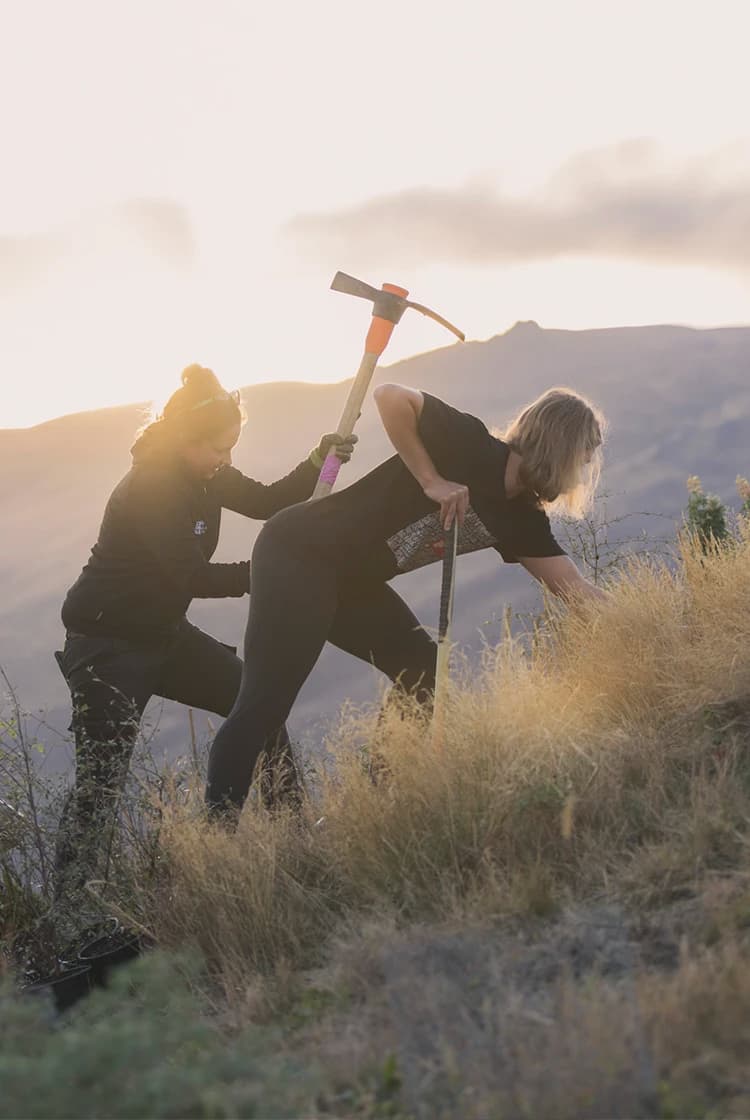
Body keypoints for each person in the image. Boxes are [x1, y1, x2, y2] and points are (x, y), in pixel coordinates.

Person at [205, 383, 608, 818]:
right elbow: (390, 396)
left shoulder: (522, 519)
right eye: (583, 456)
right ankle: (216, 836)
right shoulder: (471, 445)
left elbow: (577, 593)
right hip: (300, 552)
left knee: (424, 672)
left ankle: (376, 802)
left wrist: (656, 624)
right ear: (560, 445)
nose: (584, 471)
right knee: (265, 702)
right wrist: (431, 481)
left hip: (350, 582)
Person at [54, 363, 354, 907]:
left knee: (259, 709)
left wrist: (320, 460)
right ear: (184, 440)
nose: (227, 459)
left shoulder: (206, 474)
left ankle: (293, 839)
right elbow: (193, 576)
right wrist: (270, 573)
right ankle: (70, 913)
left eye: (232, 447)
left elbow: (268, 502)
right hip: (107, 645)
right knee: (101, 784)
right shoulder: (152, 487)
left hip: (164, 634)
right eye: (218, 448)